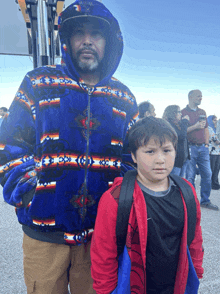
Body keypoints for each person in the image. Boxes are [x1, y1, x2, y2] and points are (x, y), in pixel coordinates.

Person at [0, 1, 139, 293]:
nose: (87, 40)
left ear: (110, 42)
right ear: (67, 40)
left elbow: (133, 158)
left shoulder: (123, 98)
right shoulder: (39, 82)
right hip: (44, 231)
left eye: (96, 34)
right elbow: (9, 143)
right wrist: (29, 190)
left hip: (100, 235)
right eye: (79, 33)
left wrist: (119, 201)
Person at [91, 116, 204, 294]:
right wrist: (105, 290)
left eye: (167, 150)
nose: (160, 160)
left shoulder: (186, 191)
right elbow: (103, 252)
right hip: (134, 286)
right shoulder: (116, 198)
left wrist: (196, 271)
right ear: (134, 156)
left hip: (176, 285)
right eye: (150, 152)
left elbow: (194, 237)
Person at [181, 90, 219, 211]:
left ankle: (205, 201)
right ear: (190, 97)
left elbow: (206, 129)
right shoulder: (182, 112)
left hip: (203, 148)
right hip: (190, 147)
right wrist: (196, 126)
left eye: (201, 96)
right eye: (198, 96)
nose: (201, 98)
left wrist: (207, 144)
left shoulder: (202, 112)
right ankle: (191, 202)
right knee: (190, 176)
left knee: (208, 174)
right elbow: (182, 132)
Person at [162, 105, 190, 176]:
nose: (181, 114)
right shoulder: (168, 125)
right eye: (179, 112)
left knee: (180, 183)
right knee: (174, 183)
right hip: (175, 161)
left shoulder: (179, 124)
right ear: (173, 113)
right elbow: (180, 137)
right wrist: (185, 122)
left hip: (183, 160)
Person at [207, 115, 220, 190]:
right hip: (211, 152)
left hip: (218, 152)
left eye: (216, 120)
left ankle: (215, 183)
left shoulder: (217, 129)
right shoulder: (209, 129)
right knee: (211, 169)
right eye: (214, 120)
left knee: (217, 168)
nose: (216, 121)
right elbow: (216, 140)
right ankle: (210, 183)